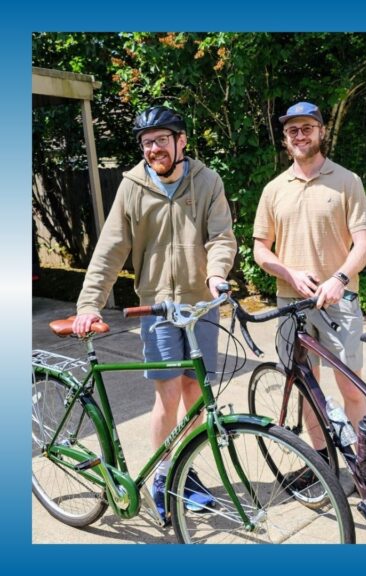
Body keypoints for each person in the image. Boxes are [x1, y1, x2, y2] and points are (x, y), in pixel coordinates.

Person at [73, 105, 237, 524]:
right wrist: (89, 303)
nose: (154, 148)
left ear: (181, 142)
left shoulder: (207, 180)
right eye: (147, 143)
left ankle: (186, 468)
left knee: (196, 395)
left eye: (162, 140)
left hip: (200, 303)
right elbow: (110, 249)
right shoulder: (132, 186)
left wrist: (217, 275)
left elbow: (221, 236)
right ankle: (163, 476)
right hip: (157, 305)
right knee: (166, 395)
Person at [253, 101, 366, 457]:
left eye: (307, 128)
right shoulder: (274, 189)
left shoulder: (346, 181)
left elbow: (365, 243)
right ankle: (321, 462)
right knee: (306, 386)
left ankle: (363, 463)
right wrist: (288, 272)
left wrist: (339, 278)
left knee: (351, 387)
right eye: (292, 131)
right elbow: (261, 250)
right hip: (291, 304)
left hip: (340, 301)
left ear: (321, 132)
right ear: (285, 140)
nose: (300, 135)